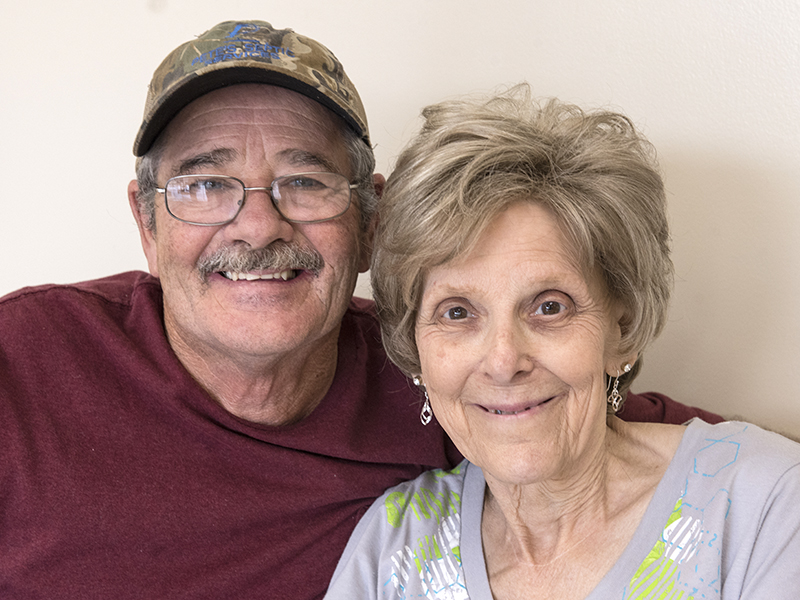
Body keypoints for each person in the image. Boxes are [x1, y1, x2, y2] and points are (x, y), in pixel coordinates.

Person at [0, 21, 720, 600]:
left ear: (371, 221)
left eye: (305, 181)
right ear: (146, 224)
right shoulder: (23, 361)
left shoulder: (447, 371)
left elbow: (642, 434)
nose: (257, 227)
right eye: (206, 184)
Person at [324, 86, 800, 599]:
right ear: (414, 349)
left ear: (622, 330)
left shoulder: (763, 503)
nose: (504, 361)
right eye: (457, 312)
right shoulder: (394, 545)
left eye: (549, 306)